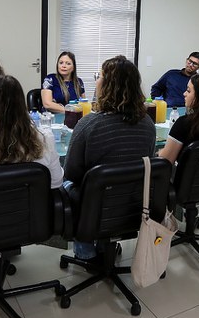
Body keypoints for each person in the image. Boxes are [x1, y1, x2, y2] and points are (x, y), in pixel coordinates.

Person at [64, 55, 156, 260]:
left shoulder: (88, 124)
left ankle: (85, 250)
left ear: (107, 85)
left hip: (96, 204)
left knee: (63, 182)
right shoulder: (148, 124)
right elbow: (146, 164)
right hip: (134, 201)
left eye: (100, 76)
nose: (97, 80)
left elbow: (72, 172)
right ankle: (106, 245)